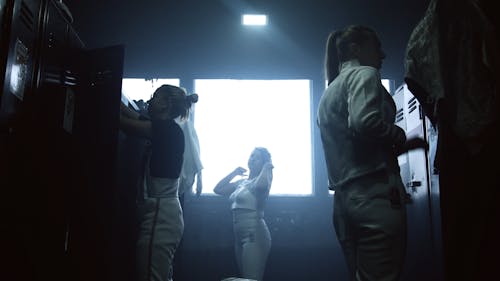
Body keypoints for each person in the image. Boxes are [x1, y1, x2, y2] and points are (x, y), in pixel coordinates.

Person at [317, 25, 427, 281]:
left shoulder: (330, 91)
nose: (383, 54)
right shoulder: (364, 73)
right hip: (374, 198)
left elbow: (356, 147)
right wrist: (400, 135)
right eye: (376, 46)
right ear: (356, 49)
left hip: (345, 203)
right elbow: (364, 122)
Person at [119, 84, 198, 281]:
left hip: (161, 216)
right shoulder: (168, 129)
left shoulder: (167, 130)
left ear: (165, 103)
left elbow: (127, 123)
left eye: (154, 96)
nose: (149, 100)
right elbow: (134, 115)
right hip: (164, 215)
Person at [213, 147, 274, 281]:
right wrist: (234, 173)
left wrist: (268, 166)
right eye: (251, 156)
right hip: (238, 235)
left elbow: (260, 187)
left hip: (255, 233)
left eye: (256, 157)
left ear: (263, 163)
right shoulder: (241, 183)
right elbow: (218, 189)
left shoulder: (262, 181)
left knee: (251, 279)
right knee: (246, 278)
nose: (252, 159)